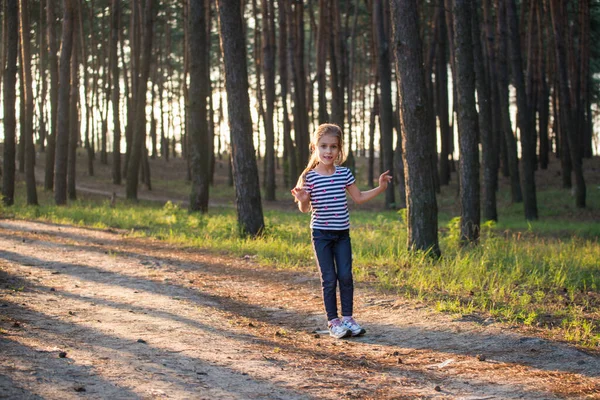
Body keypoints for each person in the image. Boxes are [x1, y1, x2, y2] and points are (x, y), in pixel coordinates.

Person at [291, 123, 392, 339]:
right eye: (324, 146)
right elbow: (305, 208)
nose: (328, 151)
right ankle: (333, 322)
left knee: (345, 275)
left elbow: (359, 197)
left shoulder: (344, 173)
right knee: (329, 278)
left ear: (339, 149)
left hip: (342, 234)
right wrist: (302, 199)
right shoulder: (308, 177)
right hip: (321, 235)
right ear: (314, 147)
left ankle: (348, 318)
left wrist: (381, 187)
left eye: (333, 147)